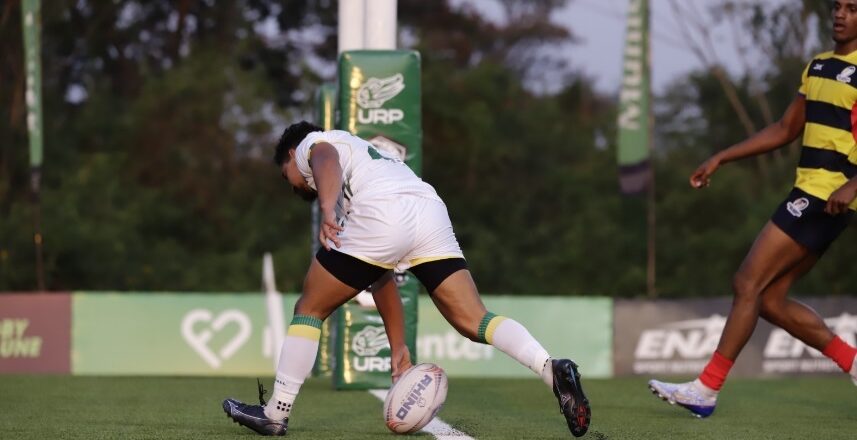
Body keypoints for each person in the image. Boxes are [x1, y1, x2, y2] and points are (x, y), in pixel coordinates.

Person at [222, 121, 592, 437]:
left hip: (384, 211)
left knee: (309, 308)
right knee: (474, 319)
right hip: (428, 211)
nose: (292, 186)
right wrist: (398, 349)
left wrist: (326, 208)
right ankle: (550, 367)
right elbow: (379, 275)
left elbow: (324, 157)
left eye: (286, 175)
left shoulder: (313, 143)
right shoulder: (367, 161)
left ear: (291, 154)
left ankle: (276, 412)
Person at [649, 0, 857, 418]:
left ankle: (706, 388)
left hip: (825, 197)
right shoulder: (817, 66)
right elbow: (784, 128)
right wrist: (721, 157)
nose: (840, 14)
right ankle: (852, 362)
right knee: (770, 300)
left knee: (747, 281)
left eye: (852, 8)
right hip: (809, 191)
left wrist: (854, 184)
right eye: (837, 6)